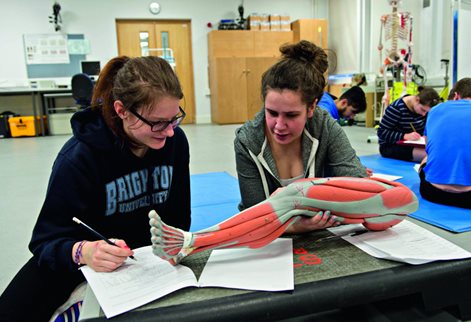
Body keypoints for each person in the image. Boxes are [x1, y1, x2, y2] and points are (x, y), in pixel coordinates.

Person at [0, 56, 191, 321]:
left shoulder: (175, 143)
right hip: (85, 259)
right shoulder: (78, 158)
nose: (169, 131)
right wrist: (84, 251)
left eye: (174, 119)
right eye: (158, 122)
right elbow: (45, 242)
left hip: (146, 262)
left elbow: (180, 219)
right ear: (122, 110)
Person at [234, 40, 368, 235]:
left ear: (312, 107)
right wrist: (298, 225)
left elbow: (361, 190)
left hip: (324, 236)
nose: (279, 126)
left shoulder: (325, 126)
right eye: (271, 112)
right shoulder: (247, 140)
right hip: (268, 240)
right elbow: (254, 216)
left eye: (291, 115)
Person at [419, 77, 471, 209]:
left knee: (426, 159)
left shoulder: (435, 110)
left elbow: (428, 150)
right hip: (469, 198)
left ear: (455, 96)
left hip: (432, 192)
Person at [377, 86, 440, 162]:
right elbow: (381, 133)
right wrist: (405, 136)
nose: (424, 114)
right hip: (391, 146)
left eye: (427, 112)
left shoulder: (423, 110)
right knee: (431, 156)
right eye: (423, 110)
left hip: (416, 143)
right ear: (417, 100)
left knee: (441, 152)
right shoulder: (396, 108)